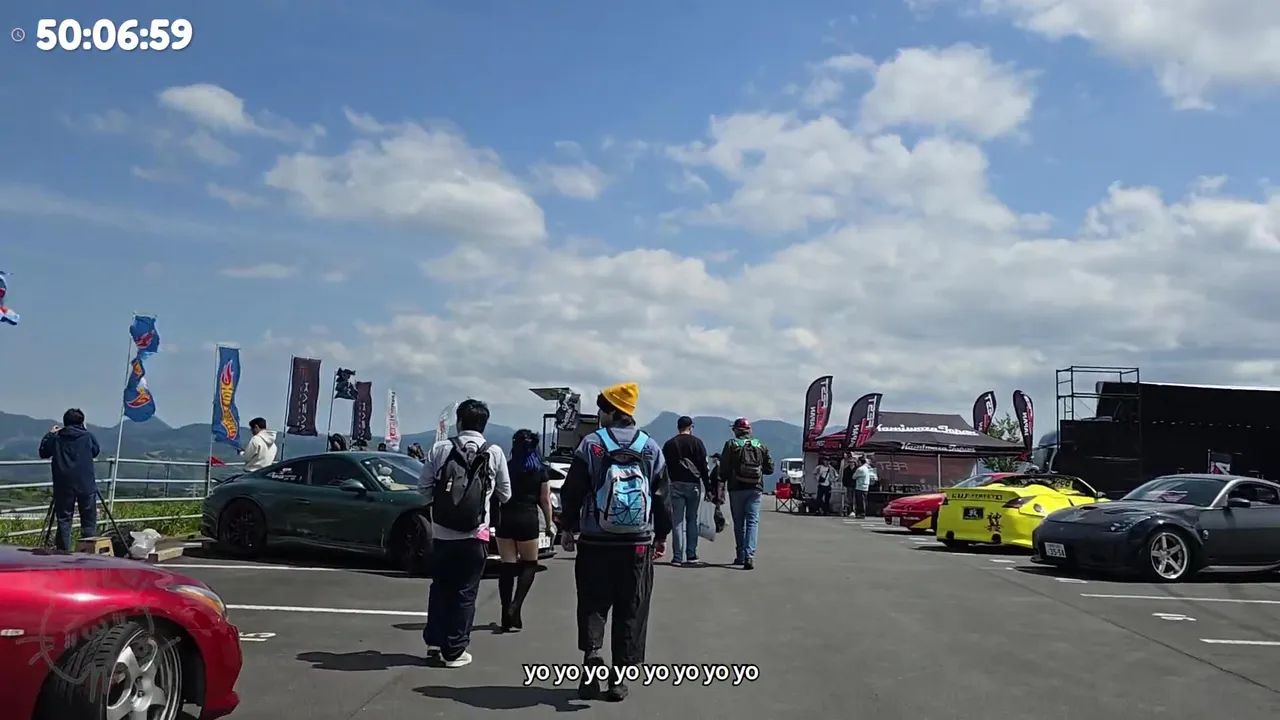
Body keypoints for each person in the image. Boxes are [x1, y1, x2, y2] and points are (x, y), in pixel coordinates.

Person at [560, 382, 672, 702]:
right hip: (637, 543)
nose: (599, 415)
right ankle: (619, 680)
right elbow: (662, 496)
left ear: (611, 411)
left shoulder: (592, 444)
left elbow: (573, 490)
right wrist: (661, 536)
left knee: (592, 602)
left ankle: (592, 656)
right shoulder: (650, 447)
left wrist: (568, 528)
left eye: (602, 409)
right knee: (631, 608)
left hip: (595, 541)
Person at [418, 399, 511, 668]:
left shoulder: (441, 448)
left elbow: (423, 489)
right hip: (475, 536)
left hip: (442, 534)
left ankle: (435, 644)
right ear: (484, 424)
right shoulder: (494, 452)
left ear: (459, 422)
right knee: (465, 592)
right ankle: (455, 650)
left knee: (440, 589)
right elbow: (506, 494)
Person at [496, 429, 554, 632]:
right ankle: (516, 606)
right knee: (529, 564)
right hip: (528, 518)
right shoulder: (540, 470)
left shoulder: (507, 467)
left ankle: (505, 613)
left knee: (507, 566)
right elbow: (545, 500)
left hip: (506, 518)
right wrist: (549, 524)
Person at [38, 409, 101, 551]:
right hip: (86, 483)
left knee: (64, 520)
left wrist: (50, 434)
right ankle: (88, 552)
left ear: (65, 422)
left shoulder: (57, 437)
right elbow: (95, 451)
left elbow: (43, 452)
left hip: (63, 484)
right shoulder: (88, 436)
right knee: (88, 520)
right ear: (82, 422)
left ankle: (64, 553)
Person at [718, 418, 773, 570]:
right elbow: (770, 468)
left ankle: (740, 555)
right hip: (755, 488)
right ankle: (750, 555)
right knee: (752, 522)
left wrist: (721, 483)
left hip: (736, 488)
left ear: (736, 430)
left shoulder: (731, 444)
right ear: (749, 430)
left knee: (739, 523)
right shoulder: (760, 445)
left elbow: (724, 469)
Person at [660, 415, 710, 566]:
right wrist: (708, 488)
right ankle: (691, 555)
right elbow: (704, 467)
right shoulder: (697, 443)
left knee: (677, 521)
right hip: (693, 484)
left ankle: (677, 557)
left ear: (678, 427)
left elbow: (663, 466)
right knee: (692, 519)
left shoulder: (669, 444)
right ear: (690, 427)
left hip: (675, 484)